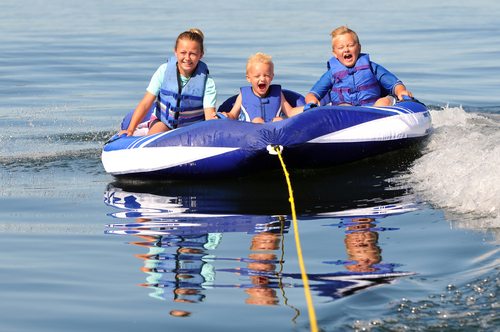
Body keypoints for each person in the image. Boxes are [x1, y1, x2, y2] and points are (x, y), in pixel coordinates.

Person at [121, 28, 217, 136]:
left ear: (201, 55)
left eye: (193, 54)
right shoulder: (164, 71)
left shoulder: (207, 82)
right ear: (175, 52)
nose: (187, 58)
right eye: (183, 52)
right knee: (156, 135)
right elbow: (146, 103)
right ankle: (144, 130)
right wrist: (130, 129)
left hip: (192, 128)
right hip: (163, 122)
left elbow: (209, 116)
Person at [303, 26, 413, 110]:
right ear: (335, 54)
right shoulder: (332, 74)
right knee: (344, 107)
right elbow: (312, 94)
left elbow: (394, 84)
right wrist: (312, 101)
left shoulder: (371, 67)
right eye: (341, 47)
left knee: (382, 102)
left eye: (350, 45)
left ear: (359, 48)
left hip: (375, 108)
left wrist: (401, 91)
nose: (346, 50)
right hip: (349, 113)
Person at [224, 52, 302, 123]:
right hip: (250, 131)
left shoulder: (278, 94)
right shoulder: (243, 95)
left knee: (278, 120)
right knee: (257, 121)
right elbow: (233, 115)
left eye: (266, 75)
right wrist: (226, 115)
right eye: (257, 76)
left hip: (274, 131)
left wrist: (308, 107)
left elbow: (290, 112)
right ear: (248, 78)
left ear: (272, 77)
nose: (262, 79)